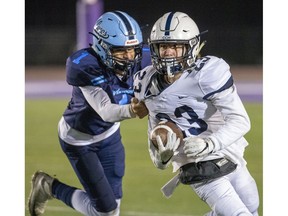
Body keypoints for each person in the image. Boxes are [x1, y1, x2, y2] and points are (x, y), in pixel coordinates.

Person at [133, 11, 259, 216]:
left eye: (175, 46)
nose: (168, 52)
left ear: (191, 46)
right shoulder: (145, 83)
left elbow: (240, 120)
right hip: (197, 166)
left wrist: (210, 144)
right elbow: (156, 134)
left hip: (227, 152)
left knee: (252, 208)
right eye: (163, 46)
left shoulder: (207, 74)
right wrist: (161, 158)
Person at [28, 11, 149, 216]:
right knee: (106, 211)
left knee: (112, 208)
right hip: (79, 139)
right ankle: (49, 186)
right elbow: (106, 111)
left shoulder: (142, 58)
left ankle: (47, 186)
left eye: (132, 50)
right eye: (121, 51)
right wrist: (132, 110)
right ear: (102, 47)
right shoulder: (85, 65)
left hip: (109, 135)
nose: (130, 58)